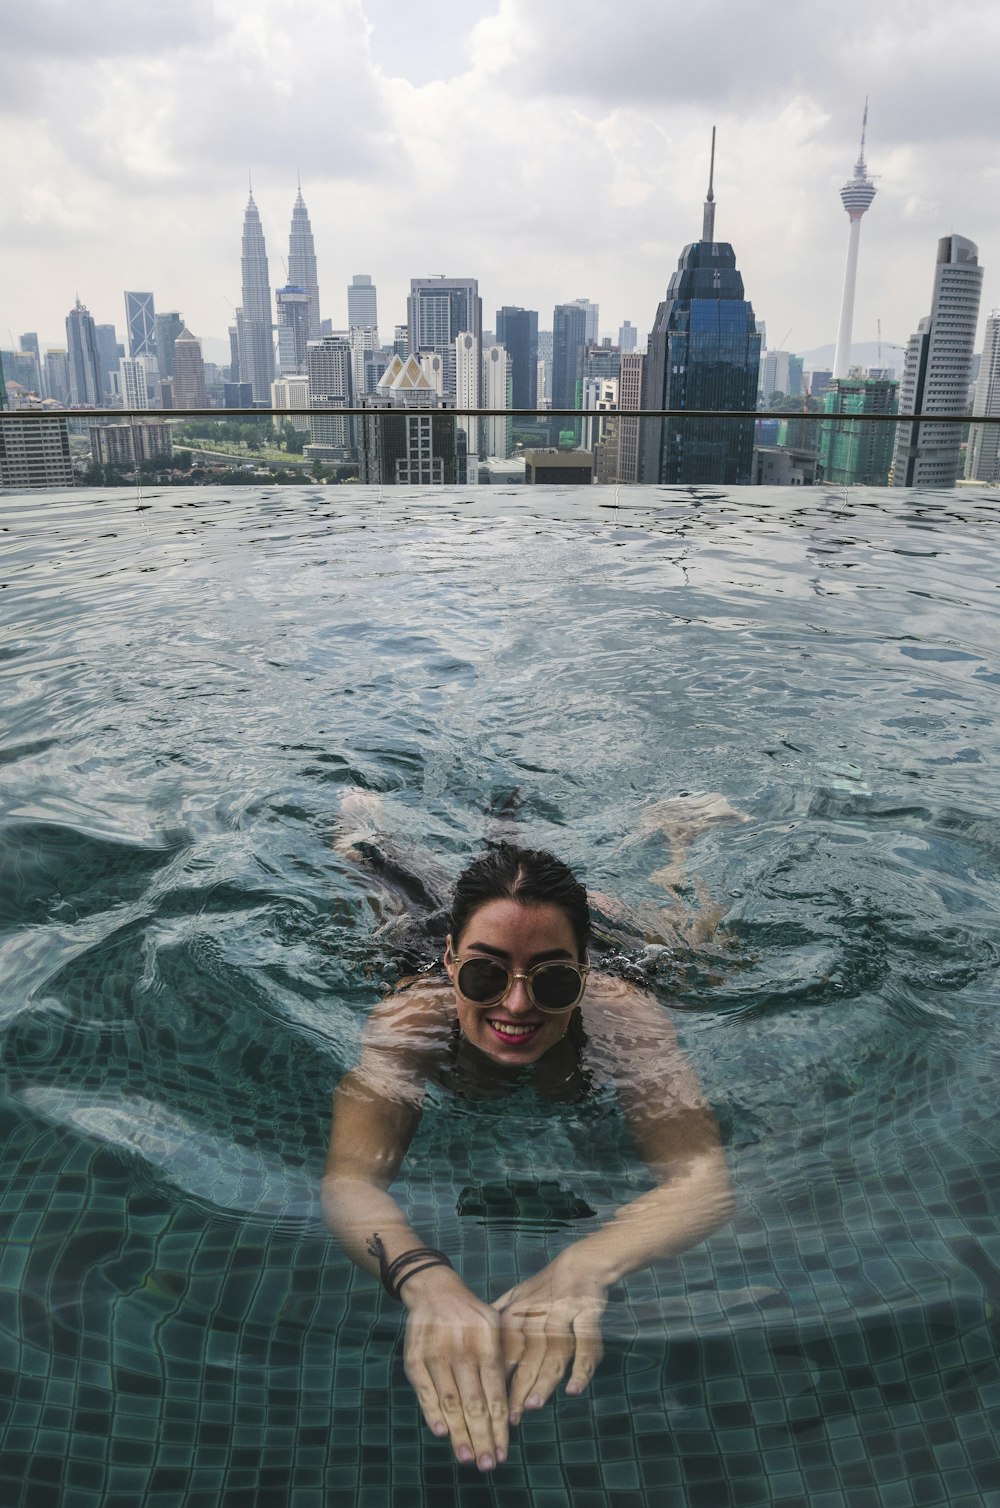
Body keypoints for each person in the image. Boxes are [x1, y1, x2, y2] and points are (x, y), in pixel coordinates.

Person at [322, 829, 735, 1475]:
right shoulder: (411, 1019)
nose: (516, 1004)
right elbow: (351, 1181)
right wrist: (426, 1284)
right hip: (428, 932)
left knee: (701, 957)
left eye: (553, 980)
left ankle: (676, 842)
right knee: (385, 877)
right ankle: (365, 830)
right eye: (486, 972)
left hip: (612, 953)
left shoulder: (623, 1013)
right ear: (455, 964)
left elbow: (703, 1179)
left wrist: (584, 1267)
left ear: (584, 973)